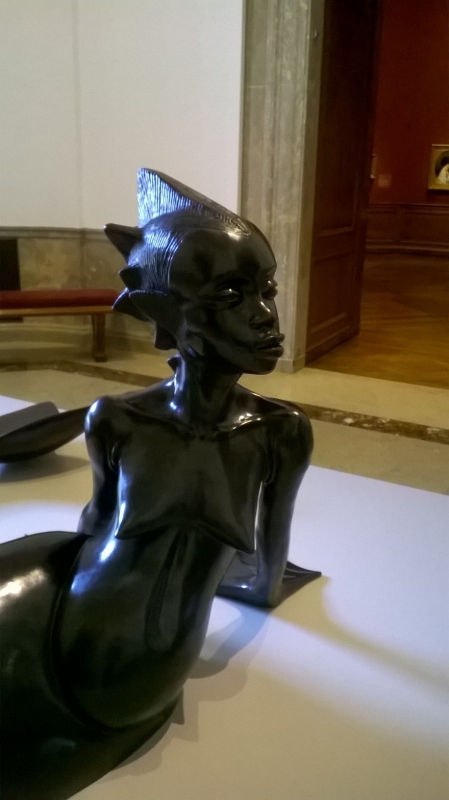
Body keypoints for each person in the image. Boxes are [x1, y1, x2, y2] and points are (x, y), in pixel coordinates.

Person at [0, 170, 320, 800]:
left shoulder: (120, 417)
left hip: (115, 658)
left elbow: (95, 526)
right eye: (232, 294)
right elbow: (263, 575)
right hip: (93, 626)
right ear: (174, 312)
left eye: (267, 289)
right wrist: (233, 567)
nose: (267, 317)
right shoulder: (267, 431)